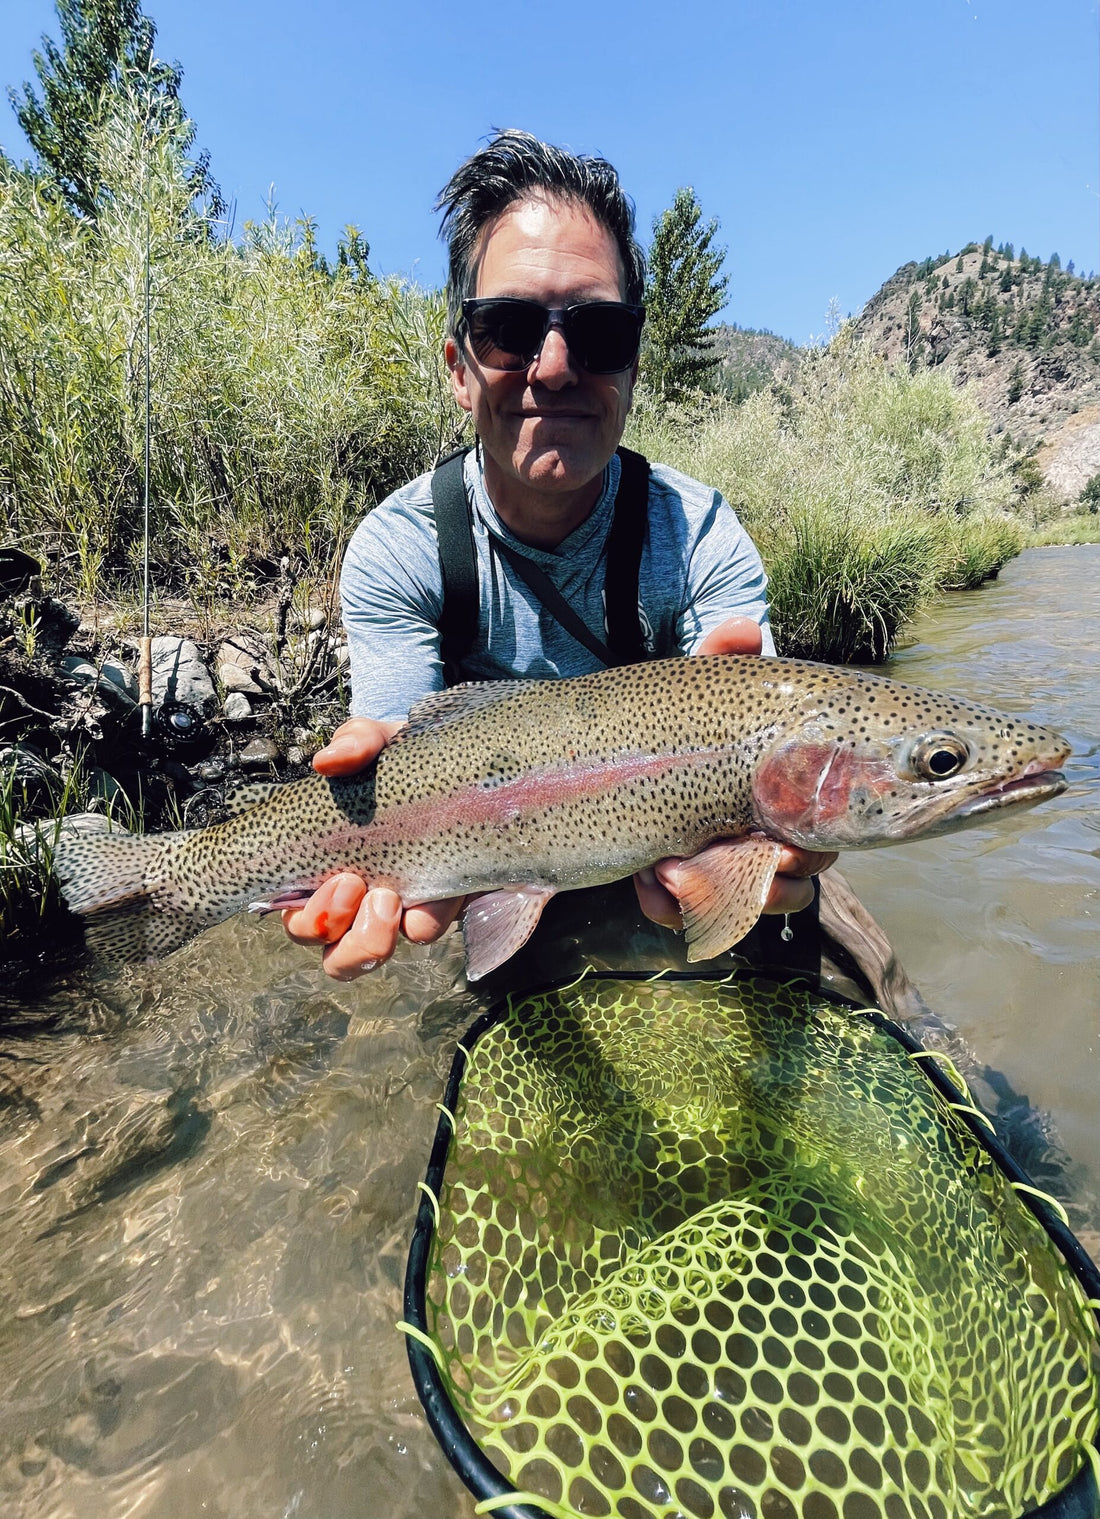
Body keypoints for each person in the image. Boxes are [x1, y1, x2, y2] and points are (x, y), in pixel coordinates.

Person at [284, 130, 835, 981]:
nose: (553, 366)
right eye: (507, 328)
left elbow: (753, 784)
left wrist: (771, 850)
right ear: (460, 370)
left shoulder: (697, 537)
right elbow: (391, 761)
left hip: (656, 868)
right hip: (485, 868)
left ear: (633, 367)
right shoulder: (402, 550)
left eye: (599, 331)